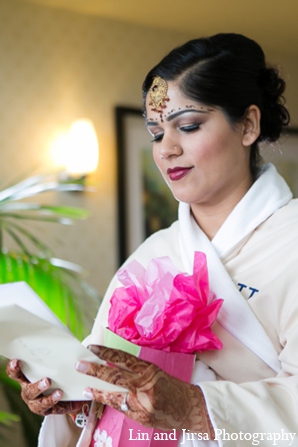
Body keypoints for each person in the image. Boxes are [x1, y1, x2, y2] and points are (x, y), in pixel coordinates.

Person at [6, 33, 298, 446]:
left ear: (248, 124)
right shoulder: (154, 252)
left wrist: (194, 407)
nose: (167, 150)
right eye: (157, 134)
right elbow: (106, 382)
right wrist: (72, 397)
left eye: (189, 126)